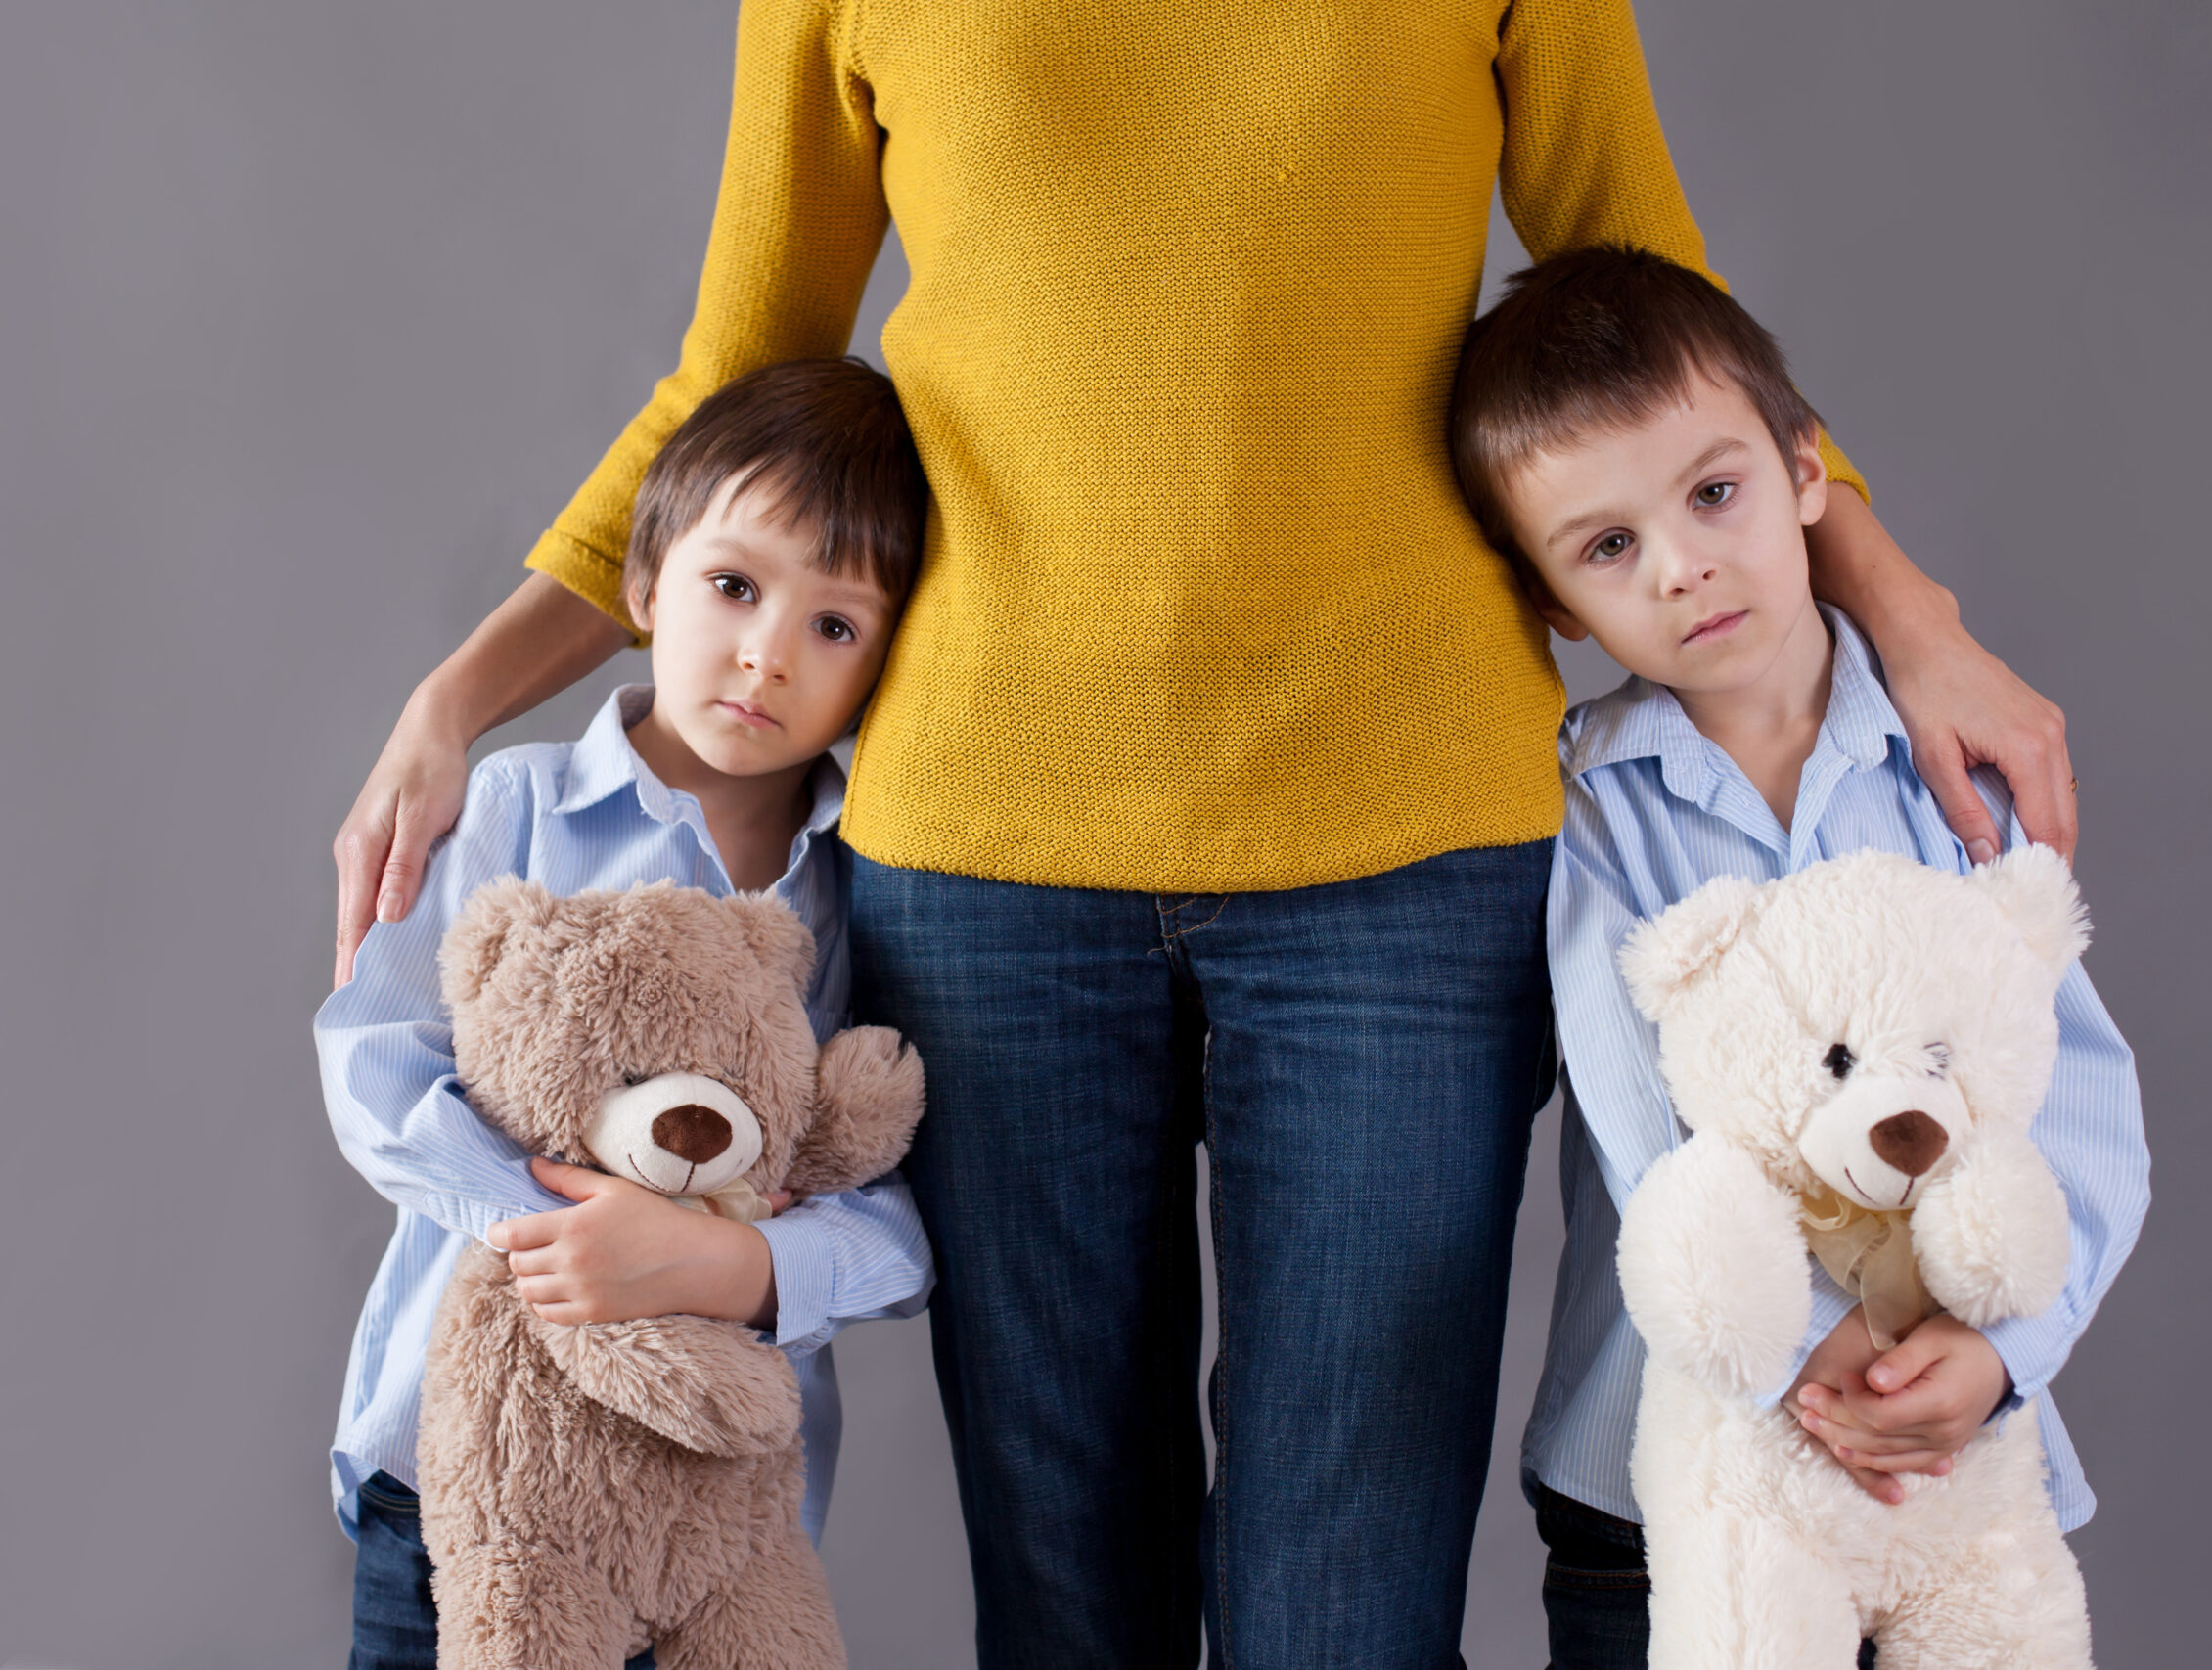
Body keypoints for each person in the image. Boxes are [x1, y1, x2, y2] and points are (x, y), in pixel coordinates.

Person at [330, 4, 2080, 1663]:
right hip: (990, 857)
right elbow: (740, 373)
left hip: (1407, 850)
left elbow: (1670, 321)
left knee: (1354, 1610)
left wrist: (1911, 620)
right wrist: (454, 700)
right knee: (1070, 1597)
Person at [1445, 244, 2148, 1668]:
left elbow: (2071, 1091)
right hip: (1667, 1475)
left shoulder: (1951, 773)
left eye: (1714, 495)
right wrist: (1789, 1353)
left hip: (1950, 1460)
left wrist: (2005, 1353)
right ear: (1562, 604)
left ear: (1810, 478)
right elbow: (1645, 1112)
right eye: (1608, 547)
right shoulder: (1592, 805)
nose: (1684, 564)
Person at [318, 359, 936, 1669]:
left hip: (709, 1547)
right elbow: (374, 1065)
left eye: (836, 627)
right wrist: (554, 1232)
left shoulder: (853, 897)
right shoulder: (511, 813)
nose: (767, 651)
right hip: (460, 1501)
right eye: (733, 587)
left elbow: (891, 1203)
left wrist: (744, 1269)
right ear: (646, 587)